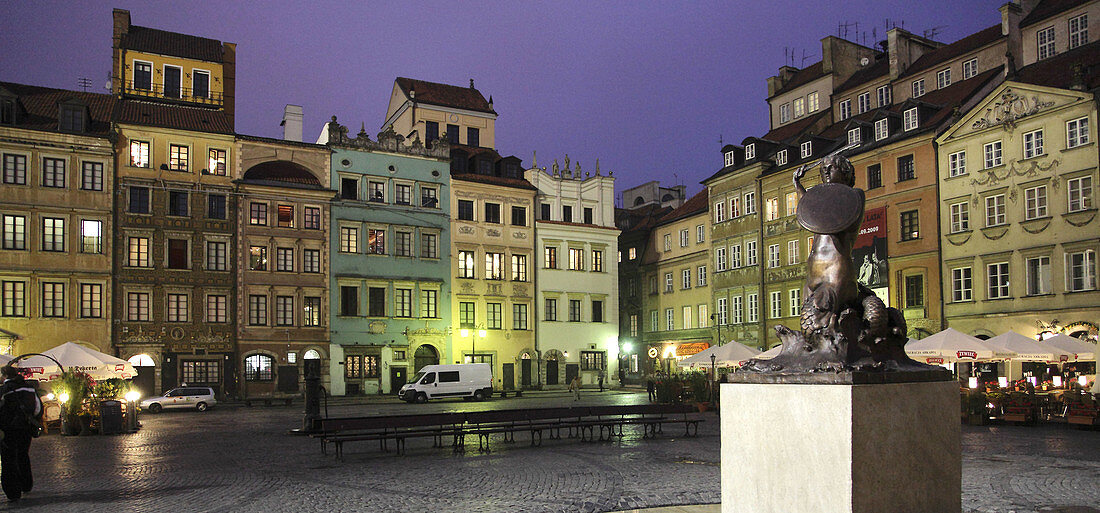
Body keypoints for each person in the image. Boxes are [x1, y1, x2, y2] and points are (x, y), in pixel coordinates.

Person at [0, 366, 42, 502]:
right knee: (23, 454)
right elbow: (38, 408)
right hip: (26, 427)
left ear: (4, 375)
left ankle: (13, 491)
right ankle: (26, 484)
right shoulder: (29, 388)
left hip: (9, 428)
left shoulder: (4, 390)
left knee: (9, 458)